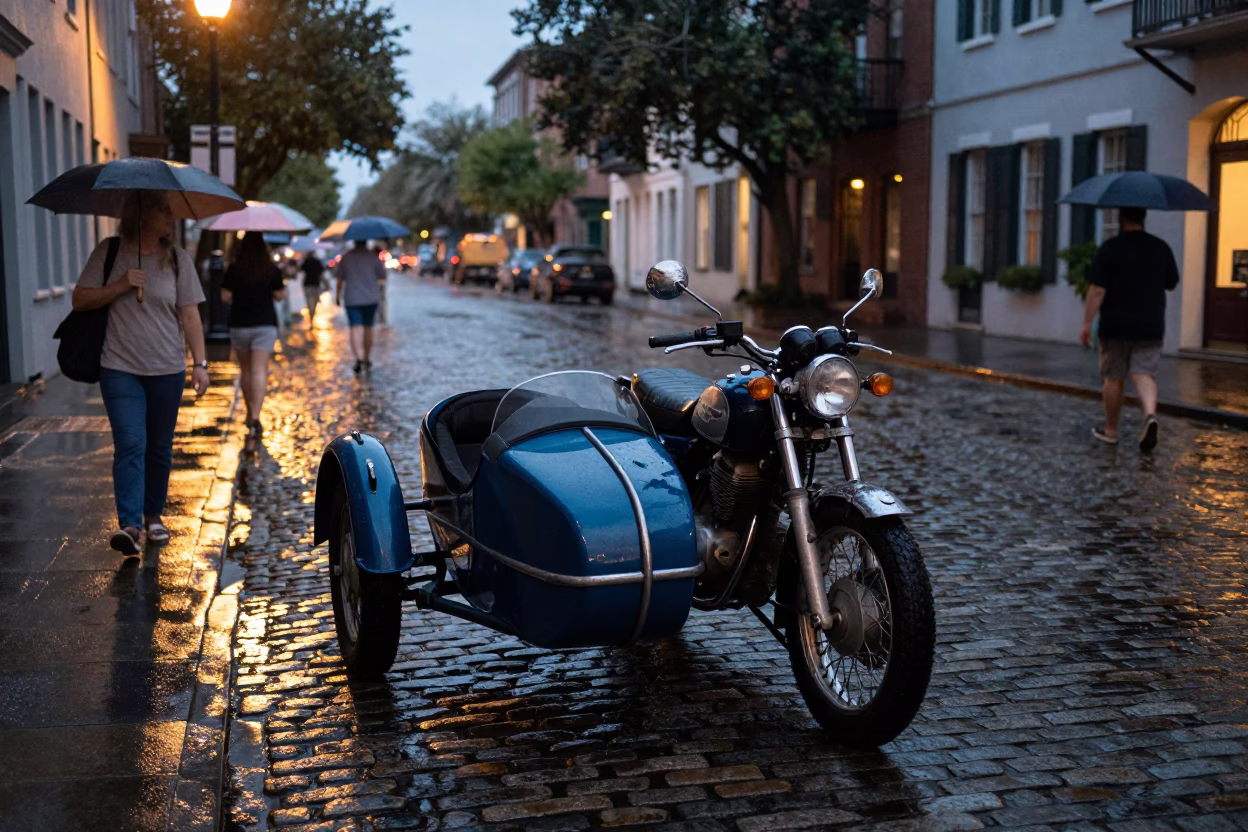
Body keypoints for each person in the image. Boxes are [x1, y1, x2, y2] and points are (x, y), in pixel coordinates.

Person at [71, 190, 209, 554]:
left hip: (167, 368)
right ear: (141, 213)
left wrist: (201, 364)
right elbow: (79, 298)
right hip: (119, 368)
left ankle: (154, 516)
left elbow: (190, 314)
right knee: (131, 443)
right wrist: (120, 286)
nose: (170, 216)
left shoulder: (177, 259)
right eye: (163, 209)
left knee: (159, 448)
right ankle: (130, 525)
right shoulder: (110, 251)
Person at [1080, 206, 1179, 452]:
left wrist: (1086, 323)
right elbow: (1172, 282)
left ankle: (1112, 431)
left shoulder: (1111, 248)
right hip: (1150, 324)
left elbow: (1097, 290)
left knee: (1113, 377)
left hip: (1115, 326)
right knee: (1143, 373)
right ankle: (1150, 415)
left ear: (1121, 219)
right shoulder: (1160, 247)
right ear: (1144, 218)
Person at [221, 232, 286, 438]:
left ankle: (249, 413)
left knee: (246, 371)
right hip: (264, 324)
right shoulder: (271, 269)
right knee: (259, 371)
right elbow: (279, 295)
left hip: (240, 323)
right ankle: (256, 417)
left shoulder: (234, 268)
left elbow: (225, 295)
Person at [335, 239, 386, 374]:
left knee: (355, 327)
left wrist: (337, 295)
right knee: (368, 327)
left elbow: (339, 279)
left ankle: (358, 357)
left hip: (352, 298)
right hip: (371, 297)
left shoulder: (346, 258)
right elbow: (383, 275)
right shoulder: (373, 258)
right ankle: (367, 357)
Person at [300, 250, 328, 327]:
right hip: (315, 285)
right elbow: (321, 275)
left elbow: (301, 272)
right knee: (314, 303)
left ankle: (311, 319)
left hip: (308, 285)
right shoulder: (317, 262)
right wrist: (326, 285)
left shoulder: (306, 261)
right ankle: (311, 318)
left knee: (310, 303)